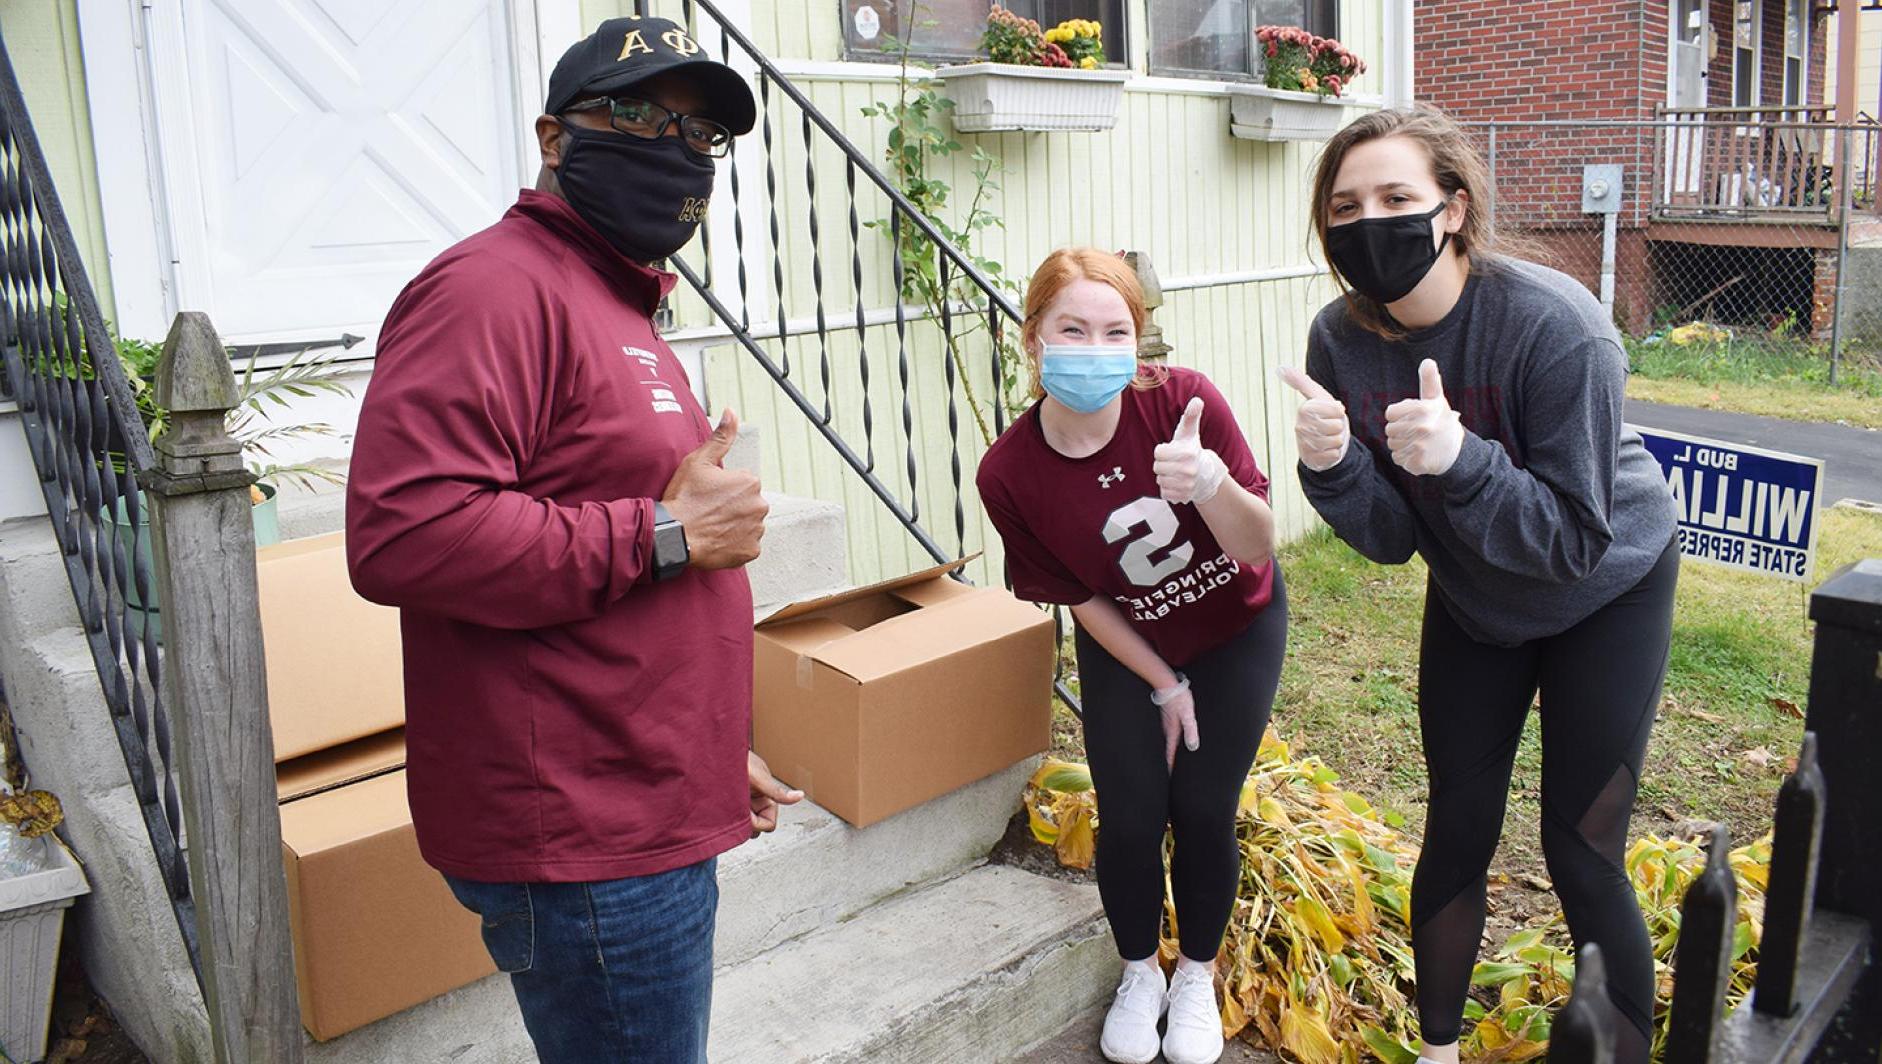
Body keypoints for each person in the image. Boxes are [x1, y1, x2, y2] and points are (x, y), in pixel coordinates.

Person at [344, 18, 802, 1062]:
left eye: (700, 133)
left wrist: (702, 749)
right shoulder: (489, 290)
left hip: (638, 797)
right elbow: (404, 531)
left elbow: (619, 549)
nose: (676, 148)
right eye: (639, 114)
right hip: (585, 843)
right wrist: (669, 532)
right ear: (555, 138)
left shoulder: (614, 299)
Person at [1278, 106, 1680, 1064]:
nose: (1367, 220)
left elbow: (1573, 544)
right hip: (1473, 599)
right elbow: (1389, 542)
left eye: (1396, 198)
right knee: (1457, 830)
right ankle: (1439, 1050)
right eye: (1345, 205)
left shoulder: (1557, 327)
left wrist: (1463, 461)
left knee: (1580, 853)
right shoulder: (1340, 340)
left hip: (1604, 588)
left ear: (1452, 209)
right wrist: (1337, 467)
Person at [976, 247, 1287, 1064]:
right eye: (1071, 327)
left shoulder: (1184, 403)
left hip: (1234, 631)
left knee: (1202, 807)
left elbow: (1258, 549)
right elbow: (1078, 596)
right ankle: (1141, 971)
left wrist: (1213, 483)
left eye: (1114, 329)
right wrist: (1161, 684)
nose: (1093, 345)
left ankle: (1196, 976)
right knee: (1134, 813)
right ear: (1033, 338)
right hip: (1129, 646)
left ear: (1138, 340)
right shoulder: (1008, 472)